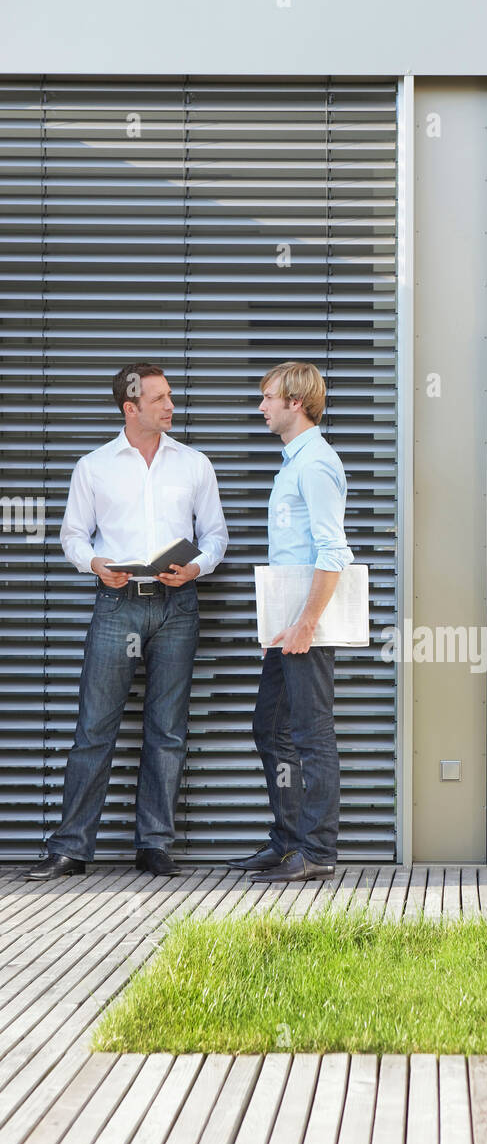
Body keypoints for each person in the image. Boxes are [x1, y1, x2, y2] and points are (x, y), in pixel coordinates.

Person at [28, 363, 228, 880]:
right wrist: (94, 563)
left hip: (177, 606)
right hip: (117, 603)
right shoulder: (93, 467)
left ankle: (154, 845)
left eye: (170, 397)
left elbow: (216, 536)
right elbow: (73, 535)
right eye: (159, 399)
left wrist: (197, 567)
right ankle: (70, 848)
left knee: (168, 730)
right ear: (130, 408)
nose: (170, 406)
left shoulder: (194, 464)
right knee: (94, 728)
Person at [228, 361, 353, 883]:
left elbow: (333, 552)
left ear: (295, 402)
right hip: (288, 628)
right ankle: (287, 840)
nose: (262, 406)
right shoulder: (292, 463)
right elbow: (291, 554)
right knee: (270, 727)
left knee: (311, 733)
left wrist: (304, 625)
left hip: (308, 629)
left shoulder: (315, 464)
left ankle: (317, 851)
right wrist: (279, 627)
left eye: (268, 397)